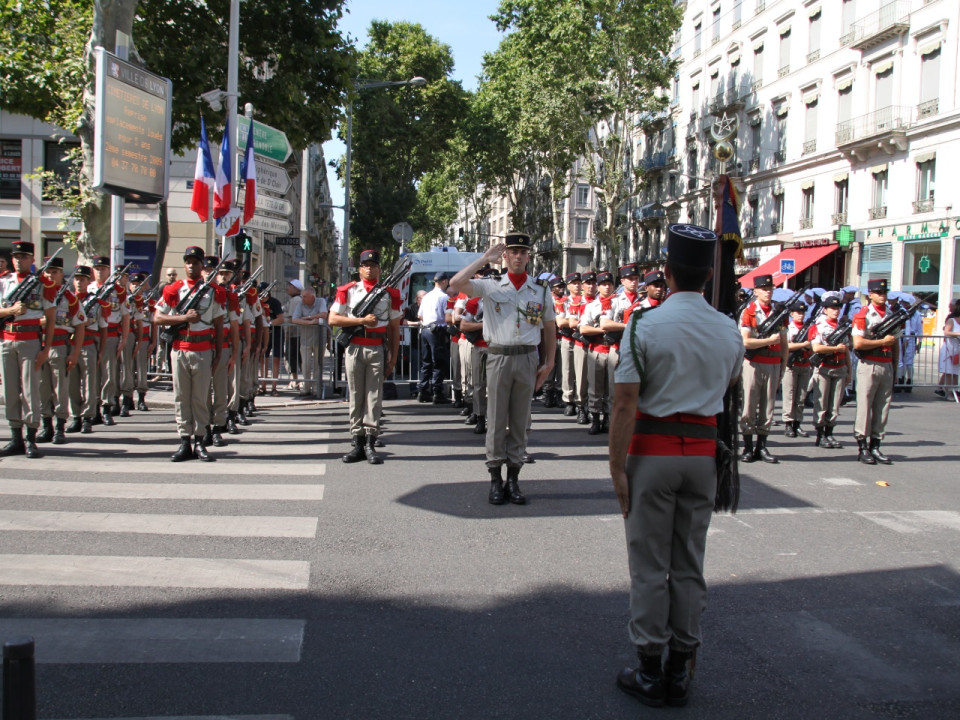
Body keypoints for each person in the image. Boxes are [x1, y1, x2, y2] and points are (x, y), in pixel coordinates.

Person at [609, 224, 743, 709]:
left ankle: (648, 668)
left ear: (666, 274)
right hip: (702, 457)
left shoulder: (644, 324)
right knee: (689, 563)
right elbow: (726, 387)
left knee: (649, 564)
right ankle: (680, 666)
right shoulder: (728, 327)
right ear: (708, 275)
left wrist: (616, 467)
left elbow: (625, 404)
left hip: (652, 453)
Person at [448, 231, 556, 505]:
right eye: (513, 252)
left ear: (528, 255)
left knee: (521, 422)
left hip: (527, 358)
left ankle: (514, 479)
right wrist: (484, 258)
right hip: (498, 356)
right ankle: (495, 479)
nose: (518, 257)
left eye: (523, 252)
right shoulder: (490, 285)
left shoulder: (540, 289)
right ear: (505, 256)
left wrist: (549, 362)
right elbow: (456, 283)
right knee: (496, 420)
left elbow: (549, 328)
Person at [328, 249, 401, 464]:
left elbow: (394, 329)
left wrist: (393, 357)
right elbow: (333, 319)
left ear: (379, 269)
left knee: (374, 397)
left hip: (377, 348)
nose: (370, 268)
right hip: (355, 348)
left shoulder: (390, 294)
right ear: (359, 269)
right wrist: (360, 321)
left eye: (374, 265)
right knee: (356, 395)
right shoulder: (347, 290)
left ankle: (370, 441)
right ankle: (357, 441)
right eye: (366, 265)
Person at [154, 246, 225, 462]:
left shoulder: (212, 292)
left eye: (196, 262)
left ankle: (200, 441)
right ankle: (184, 440)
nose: (192, 266)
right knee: (181, 398)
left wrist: (218, 354)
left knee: (200, 398)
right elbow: (158, 318)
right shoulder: (173, 290)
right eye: (188, 262)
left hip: (203, 350)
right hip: (179, 349)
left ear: (202, 265)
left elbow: (219, 325)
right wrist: (183, 319)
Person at [0, 240, 58, 458]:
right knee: (10, 391)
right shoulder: (4, 281)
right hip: (6, 338)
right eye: (15, 256)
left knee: (30, 390)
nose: (18, 260)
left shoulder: (42, 284)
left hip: (30, 340)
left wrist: (46, 349)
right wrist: (10, 311)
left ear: (32, 260)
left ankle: (31, 438)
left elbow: (51, 319)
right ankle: (15, 438)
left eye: (23, 257)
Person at [738, 274, 787, 463]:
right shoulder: (749, 312)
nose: (768, 292)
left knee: (768, 407)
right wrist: (767, 341)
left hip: (773, 363)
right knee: (749, 406)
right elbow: (746, 342)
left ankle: (762, 446)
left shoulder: (778, 313)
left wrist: (783, 365)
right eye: (764, 289)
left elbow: (784, 343)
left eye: (770, 289)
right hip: (754, 363)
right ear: (756, 291)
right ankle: (748, 447)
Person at [36, 256, 85, 444]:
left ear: (60, 274)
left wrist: (74, 353)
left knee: (60, 389)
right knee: (42, 388)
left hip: (59, 346)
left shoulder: (69, 298)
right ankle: (46, 426)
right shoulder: (36, 293)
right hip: (38, 346)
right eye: (47, 271)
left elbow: (80, 325)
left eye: (54, 272)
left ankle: (59, 428)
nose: (50, 275)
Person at [851, 278, 898, 465]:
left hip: (886, 364)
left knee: (882, 407)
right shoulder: (863, 315)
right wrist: (881, 342)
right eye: (878, 293)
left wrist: (894, 365)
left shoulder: (892, 315)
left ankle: (876, 445)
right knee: (865, 406)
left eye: (884, 293)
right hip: (869, 363)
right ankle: (862, 447)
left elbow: (896, 343)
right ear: (870, 294)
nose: (882, 296)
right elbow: (858, 343)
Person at [89, 256, 129, 426]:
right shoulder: (88, 288)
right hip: (91, 335)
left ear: (108, 271)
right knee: (91, 374)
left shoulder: (117, 291)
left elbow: (126, 316)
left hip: (111, 335)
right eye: (97, 269)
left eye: (103, 269)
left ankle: (106, 407)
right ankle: (93, 409)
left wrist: (124, 339)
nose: (99, 272)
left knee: (108, 373)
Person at [67, 266, 105, 434]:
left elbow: (103, 327)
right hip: (71, 345)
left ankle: (88, 417)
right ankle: (75, 416)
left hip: (89, 345)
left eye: (82, 279)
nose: (79, 282)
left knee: (89, 383)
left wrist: (101, 351)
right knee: (72, 383)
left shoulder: (96, 302)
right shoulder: (67, 300)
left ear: (89, 281)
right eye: (76, 278)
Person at [810, 295, 850, 449]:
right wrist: (835, 348)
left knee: (834, 404)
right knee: (821, 403)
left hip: (840, 367)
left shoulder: (841, 326)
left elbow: (846, 350)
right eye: (832, 308)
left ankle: (829, 432)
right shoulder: (818, 326)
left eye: (838, 307)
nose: (836, 310)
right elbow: (817, 348)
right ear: (825, 310)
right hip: (824, 367)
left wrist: (849, 371)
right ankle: (820, 435)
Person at [579, 270, 616, 434]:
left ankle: (608, 418)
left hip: (614, 349)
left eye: (609, 284)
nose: (606, 287)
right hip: (597, 348)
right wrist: (603, 330)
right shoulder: (591, 306)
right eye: (603, 285)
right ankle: (595, 419)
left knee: (611, 388)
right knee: (595, 386)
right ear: (598, 287)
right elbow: (583, 328)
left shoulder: (619, 303)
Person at [417, 272, 451, 403]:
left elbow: (420, 316)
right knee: (438, 362)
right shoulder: (444, 297)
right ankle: (437, 392)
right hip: (437, 331)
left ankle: (423, 391)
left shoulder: (426, 296)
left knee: (426, 363)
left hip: (425, 330)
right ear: (444, 282)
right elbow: (447, 316)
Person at [781, 301, 814, 438]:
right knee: (790, 395)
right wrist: (803, 344)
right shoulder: (789, 328)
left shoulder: (809, 328)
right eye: (798, 313)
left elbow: (813, 345)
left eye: (802, 313)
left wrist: (808, 346)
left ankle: (797, 423)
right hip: (791, 365)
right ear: (792, 314)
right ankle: (788, 422)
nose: (800, 315)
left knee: (801, 396)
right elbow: (786, 346)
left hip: (804, 364)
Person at [292, 284, 328, 397]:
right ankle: (306, 387)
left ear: (312, 297)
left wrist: (307, 317)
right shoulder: (300, 304)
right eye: (302, 296)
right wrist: (310, 322)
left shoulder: (321, 301)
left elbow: (323, 314)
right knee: (305, 364)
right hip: (305, 339)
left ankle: (316, 387)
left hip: (319, 339)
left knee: (318, 364)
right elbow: (294, 319)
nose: (302, 299)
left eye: (304, 296)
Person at [558, 272, 582, 417]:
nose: (577, 286)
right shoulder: (563, 302)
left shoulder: (586, 300)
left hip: (581, 340)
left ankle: (580, 401)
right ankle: (568, 400)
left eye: (579, 283)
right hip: (568, 339)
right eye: (574, 283)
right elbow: (560, 322)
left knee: (581, 373)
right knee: (567, 371)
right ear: (568, 286)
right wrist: (581, 323)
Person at [260, 284, 285, 395]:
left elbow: (280, 318)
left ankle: (274, 387)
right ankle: (263, 385)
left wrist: (268, 323)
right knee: (263, 359)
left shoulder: (275, 302)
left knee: (275, 359)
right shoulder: (257, 302)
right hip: (263, 334)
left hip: (276, 333)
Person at [936, 299, 960, 400]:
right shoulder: (952, 320)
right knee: (949, 372)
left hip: (957, 350)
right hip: (949, 349)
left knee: (955, 373)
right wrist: (958, 334)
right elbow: (946, 332)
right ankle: (950, 392)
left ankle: (953, 392)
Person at [285, 279, 303, 391]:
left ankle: (295, 380)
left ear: (296, 289)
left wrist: (287, 333)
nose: (288, 288)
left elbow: (291, 318)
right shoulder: (296, 299)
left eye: (290, 286)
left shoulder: (295, 300)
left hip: (294, 334)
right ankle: (294, 380)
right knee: (295, 357)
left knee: (292, 357)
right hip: (296, 334)